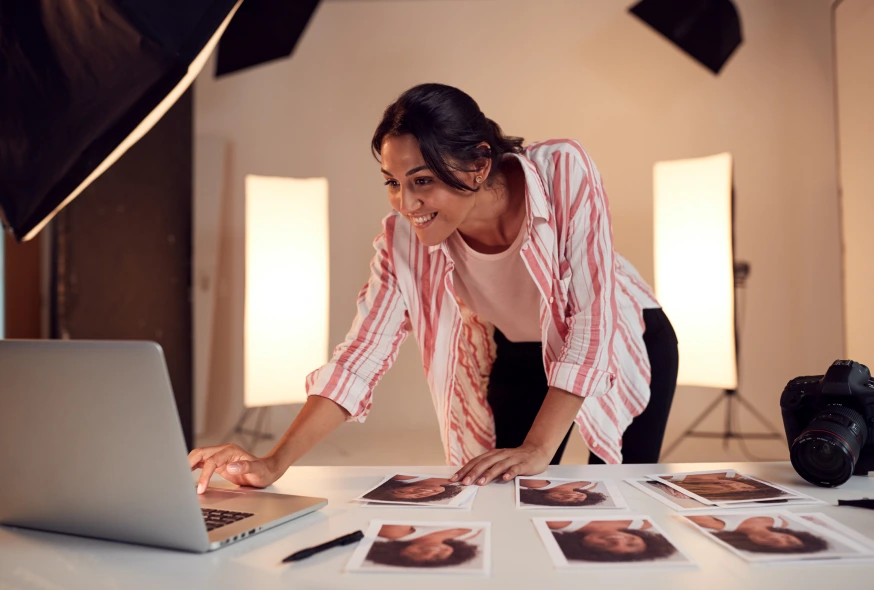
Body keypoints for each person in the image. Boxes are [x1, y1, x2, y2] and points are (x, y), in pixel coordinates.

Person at [188, 83, 679, 493]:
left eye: (421, 180)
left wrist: (540, 448)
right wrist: (272, 464)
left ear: (478, 164)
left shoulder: (561, 171)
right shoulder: (402, 240)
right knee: (503, 497)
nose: (406, 202)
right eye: (392, 182)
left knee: (616, 500)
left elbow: (592, 320)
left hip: (624, 341)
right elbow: (360, 356)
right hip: (519, 351)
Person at [547, 519, 676, 562]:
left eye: (607, 546)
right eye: (631, 544)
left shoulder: (554, 524)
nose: (619, 541)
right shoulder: (646, 522)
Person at [687, 515, 828, 554]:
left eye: (773, 545)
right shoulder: (782, 521)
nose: (779, 540)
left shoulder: (717, 525)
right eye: (791, 542)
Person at [366, 525, 481, 568]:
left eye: (415, 554)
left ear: (398, 551)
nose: (430, 552)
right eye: (437, 558)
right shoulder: (469, 536)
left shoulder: (395, 532)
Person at [661, 472, 788, 502]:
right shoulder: (730, 474)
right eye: (744, 487)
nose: (734, 486)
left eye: (736, 492)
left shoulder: (678, 493)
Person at [363, 475, 464, 503]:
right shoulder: (455, 488)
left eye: (401, 491)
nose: (422, 492)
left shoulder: (404, 476)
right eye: (419, 496)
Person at [519, 478, 607, 507]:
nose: (571, 497)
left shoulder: (534, 483)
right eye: (578, 500)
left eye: (559, 499)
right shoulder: (590, 485)